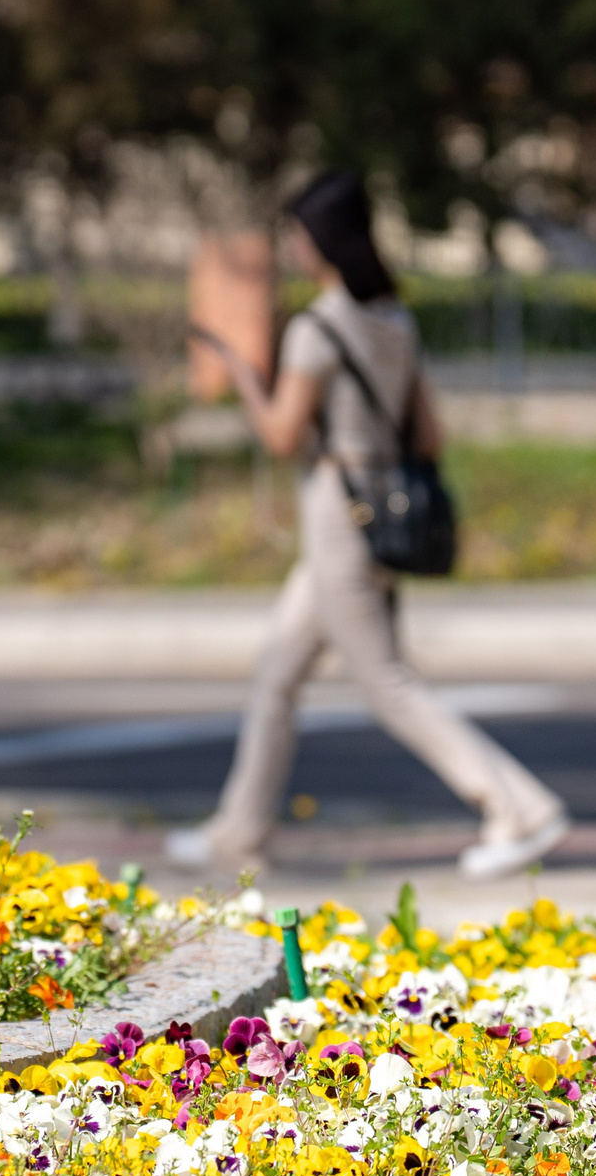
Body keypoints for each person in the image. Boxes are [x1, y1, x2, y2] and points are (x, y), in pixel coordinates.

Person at [167, 171, 570, 880]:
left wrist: (239, 371)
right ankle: (237, 833)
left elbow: (283, 435)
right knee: (277, 677)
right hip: (383, 505)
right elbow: (430, 436)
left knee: (384, 681)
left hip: (337, 511)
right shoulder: (394, 321)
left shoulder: (317, 329)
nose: (293, 247)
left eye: (297, 234)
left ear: (321, 239)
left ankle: (518, 808)